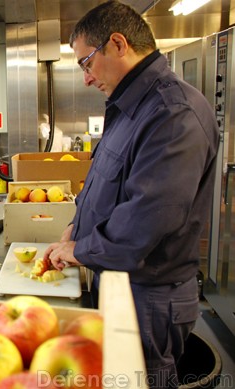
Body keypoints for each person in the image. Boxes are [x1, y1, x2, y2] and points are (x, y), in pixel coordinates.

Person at [42, 1, 219, 388]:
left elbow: (148, 218)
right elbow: (111, 184)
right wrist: (77, 226)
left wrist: (80, 250)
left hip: (150, 296)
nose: (86, 78)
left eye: (86, 62)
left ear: (118, 44)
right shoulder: (129, 108)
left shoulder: (172, 113)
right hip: (123, 281)